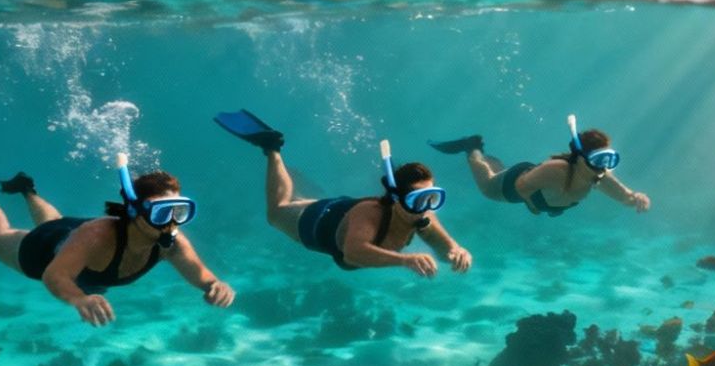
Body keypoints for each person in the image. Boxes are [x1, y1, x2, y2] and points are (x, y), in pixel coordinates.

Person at [0, 128, 234, 326]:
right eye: (163, 212)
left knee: (59, 223)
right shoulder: (96, 235)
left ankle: (27, 190)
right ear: (134, 211)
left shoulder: (169, 242)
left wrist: (215, 285)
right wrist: (80, 300)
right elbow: (55, 276)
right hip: (48, 251)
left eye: (179, 211)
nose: (172, 221)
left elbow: (201, 274)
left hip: (73, 237)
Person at [214, 111, 472, 277]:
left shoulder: (422, 216)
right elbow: (353, 253)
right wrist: (405, 260)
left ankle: (298, 180)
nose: (426, 207)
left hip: (342, 210)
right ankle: (272, 148)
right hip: (318, 221)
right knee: (277, 211)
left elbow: (443, 247)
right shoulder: (369, 214)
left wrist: (455, 250)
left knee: (302, 200)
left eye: (432, 198)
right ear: (396, 199)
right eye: (417, 199)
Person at [430, 115, 650, 217]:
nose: (604, 167)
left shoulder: (597, 175)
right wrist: (534, 208)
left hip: (539, 184)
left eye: (608, 159)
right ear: (581, 156)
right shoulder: (557, 170)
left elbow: (623, 195)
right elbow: (522, 188)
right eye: (600, 159)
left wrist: (636, 198)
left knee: (496, 172)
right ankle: (472, 147)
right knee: (488, 186)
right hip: (519, 183)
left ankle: (489, 159)